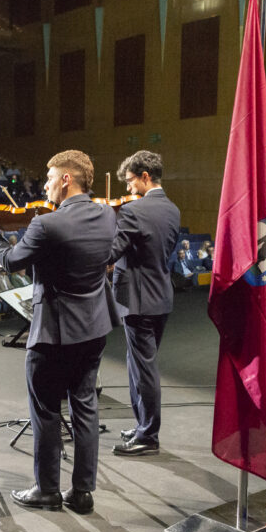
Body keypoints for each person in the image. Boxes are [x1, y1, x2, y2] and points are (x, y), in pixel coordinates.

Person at [0, 149, 116, 514]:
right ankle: (82, 492)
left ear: (67, 178)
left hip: (54, 332)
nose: (45, 185)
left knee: (46, 410)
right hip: (94, 326)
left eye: (50, 178)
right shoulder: (107, 216)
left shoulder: (46, 225)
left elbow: (12, 262)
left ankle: (47, 489)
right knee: (85, 406)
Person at [109, 151, 180, 457]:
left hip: (137, 300)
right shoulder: (172, 209)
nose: (128, 190)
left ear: (145, 176)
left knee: (145, 369)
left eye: (130, 182)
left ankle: (148, 435)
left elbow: (112, 252)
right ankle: (141, 425)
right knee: (138, 365)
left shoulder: (134, 212)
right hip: (160, 295)